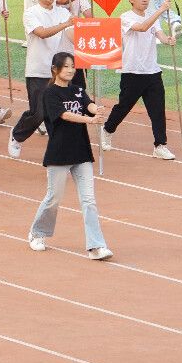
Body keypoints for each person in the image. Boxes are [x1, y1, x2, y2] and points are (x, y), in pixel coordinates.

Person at [28, 51, 114, 260]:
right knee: (54, 197)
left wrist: (96, 109)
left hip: (81, 152)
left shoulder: (77, 90)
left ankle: (96, 246)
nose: (70, 70)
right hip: (59, 153)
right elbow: (64, 115)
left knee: (89, 200)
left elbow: (88, 104)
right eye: (66, 66)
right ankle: (37, 233)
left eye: (72, 66)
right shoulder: (50, 93)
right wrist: (90, 120)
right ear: (55, 69)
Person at [100, 0, 176, 160]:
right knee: (124, 107)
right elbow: (142, 27)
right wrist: (160, 10)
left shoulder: (152, 15)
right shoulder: (125, 17)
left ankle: (160, 145)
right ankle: (107, 129)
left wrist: (168, 40)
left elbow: (159, 35)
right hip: (132, 71)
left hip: (152, 71)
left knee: (157, 110)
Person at [8, 0, 77, 159]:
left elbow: (72, 35)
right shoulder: (31, 13)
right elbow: (42, 33)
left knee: (63, 112)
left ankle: (63, 151)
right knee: (38, 113)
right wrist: (65, 24)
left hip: (60, 73)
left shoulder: (63, 13)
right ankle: (17, 135)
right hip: (38, 70)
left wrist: (83, 34)